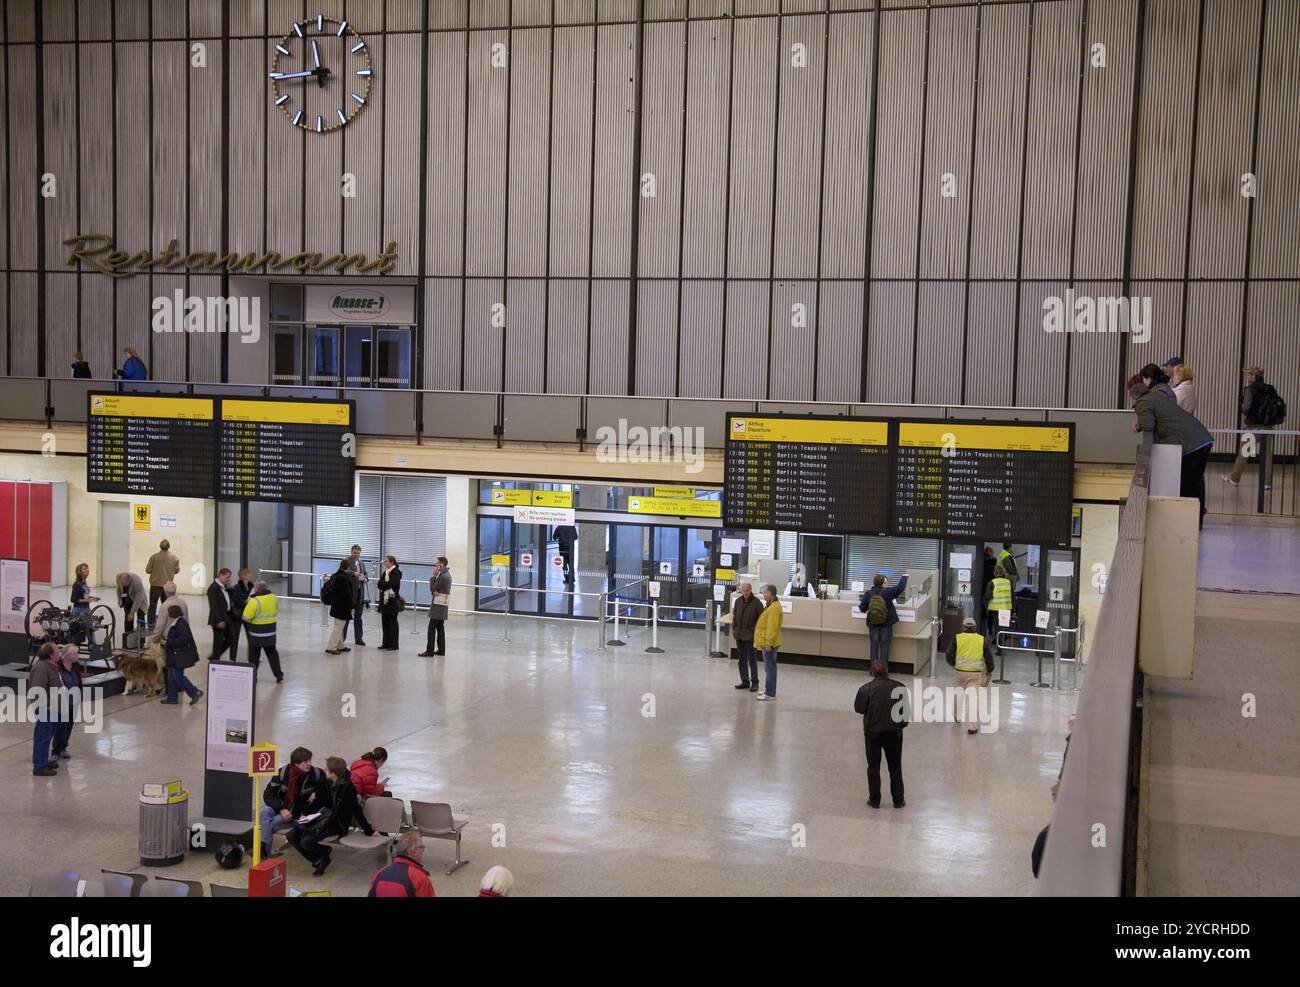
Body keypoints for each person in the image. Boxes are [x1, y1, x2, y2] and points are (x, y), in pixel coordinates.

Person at [1130, 376, 1215, 528]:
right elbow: (1158, 418)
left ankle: (1189, 522)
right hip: (1202, 439)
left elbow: (1149, 426)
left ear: (1134, 396)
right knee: (1196, 482)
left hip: (1191, 445)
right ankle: (1197, 519)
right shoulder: (1155, 396)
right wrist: (1141, 424)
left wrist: (1145, 451)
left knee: (1188, 484)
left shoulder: (1142, 402)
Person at [286, 755, 376, 877]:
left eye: (327, 769)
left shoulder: (348, 789)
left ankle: (322, 857)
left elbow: (357, 811)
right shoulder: (326, 783)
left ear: (334, 773)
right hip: (320, 818)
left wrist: (369, 831)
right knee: (291, 835)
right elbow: (316, 802)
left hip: (336, 824)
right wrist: (306, 815)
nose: (325, 771)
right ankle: (321, 857)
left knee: (305, 841)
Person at [853, 658, 909, 809]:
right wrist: (900, 727)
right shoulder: (900, 688)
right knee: (895, 766)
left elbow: (858, 708)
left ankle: (875, 800)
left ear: (872, 673)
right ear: (887, 672)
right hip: (894, 733)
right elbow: (905, 714)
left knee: (873, 766)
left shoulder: (866, 689)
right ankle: (898, 800)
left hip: (873, 733)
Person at [260, 747, 330, 859]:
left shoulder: (316, 774)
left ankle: (263, 853)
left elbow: (325, 790)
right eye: (305, 762)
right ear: (296, 764)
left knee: (269, 824)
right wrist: (282, 808)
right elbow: (268, 795)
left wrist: (316, 792)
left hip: (299, 814)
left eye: (309, 761)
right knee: (264, 812)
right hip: (283, 807)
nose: (309, 764)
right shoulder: (282, 773)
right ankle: (264, 852)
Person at [1226, 366, 1279, 487]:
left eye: (1249, 374)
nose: (1247, 376)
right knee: (1267, 454)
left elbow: (1246, 408)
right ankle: (1267, 483)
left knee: (1244, 452)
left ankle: (1235, 478)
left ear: (1254, 376)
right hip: (1268, 427)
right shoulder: (1270, 389)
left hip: (1253, 427)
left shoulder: (1250, 389)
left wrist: (1243, 409)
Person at [946, 616, 995, 734]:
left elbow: (949, 655)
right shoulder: (981, 639)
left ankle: (956, 716)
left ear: (963, 627)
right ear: (975, 627)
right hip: (975, 674)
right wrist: (990, 670)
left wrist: (953, 664)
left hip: (960, 672)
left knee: (958, 694)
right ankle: (972, 727)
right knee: (974, 699)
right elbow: (989, 657)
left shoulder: (957, 638)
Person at [858, 572, 909, 666]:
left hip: (873, 625)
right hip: (886, 624)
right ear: (882, 583)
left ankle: (874, 670)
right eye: (885, 582)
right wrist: (904, 577)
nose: (886, 584)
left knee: (874, 647)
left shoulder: (868, 594)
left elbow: (862, 609)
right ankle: (883, 672)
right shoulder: (887, 592)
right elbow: (899, 588)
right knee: (884, 648)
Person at [29, 643, 64, 777]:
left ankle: (43, 761)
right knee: (42, 737)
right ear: (50, 654)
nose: (59, 651)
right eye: (57, 650)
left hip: (52, 708)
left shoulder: (51, 666)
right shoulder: (41, 668)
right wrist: (47, 705)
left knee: (47, 735)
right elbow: (37, 690)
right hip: (46, 708)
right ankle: (39, 767)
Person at [368, 832, 436, 897]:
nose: (423, 851)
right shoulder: (420, 878)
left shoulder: (380, 873)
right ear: (413, 851)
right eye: (422, 847)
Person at [160, 605, 203, 706]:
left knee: (177, 676)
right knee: (171, 676)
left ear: (172, 614)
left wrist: (168, 642)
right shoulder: (177, 622)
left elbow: (184, 639)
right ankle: (172, 697)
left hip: (178, 656)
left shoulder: (181, 624)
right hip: (173, 655)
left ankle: (194, 692)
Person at [242, 580, 284, 682]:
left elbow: (246, 617)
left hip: (257, 634)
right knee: (272, 653)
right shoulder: (273, 597)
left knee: (254, 656)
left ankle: (253, 677)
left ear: (256, 589)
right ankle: (279, 675)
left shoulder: (255, 600)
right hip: (270, 632)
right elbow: (276, 610)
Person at [50, 644, 83, 761]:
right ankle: (56, 750)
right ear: (68, 656)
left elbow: (78, 681)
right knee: (61, 727)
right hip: (61, 702)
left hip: (73, 701)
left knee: (69, 726)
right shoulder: (57, 668)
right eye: (75, 653)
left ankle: (63, 747)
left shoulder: (76, 666)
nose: (77, 655)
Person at [729, 582, 763, 693]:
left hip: (750, 637)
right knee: (742, 660)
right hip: (739, 636)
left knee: (752, 660)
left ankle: (755, 682)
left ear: (751, 590)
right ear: (741, 591)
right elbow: (735, 617)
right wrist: (735, 629)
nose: (745, 593)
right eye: (743, 591)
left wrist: (754, 631)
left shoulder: (757, 603)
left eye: (747, 590)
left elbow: (761, 620)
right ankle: (745, 681)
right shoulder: (738, 601)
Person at [753, 584, 783, 702]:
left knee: (770, 668)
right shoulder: (770, 605)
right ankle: (768, 689)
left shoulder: (774, 607)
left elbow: (772, 627)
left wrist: (769, 643)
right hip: (766, 642)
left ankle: (770, 693)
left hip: (769, 643)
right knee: (768, 667)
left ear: (770, 594)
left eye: (764, 592)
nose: (763, 594)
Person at [419, 557, 452, 657]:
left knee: (431, 627)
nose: (435, 566)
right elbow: (435, 589)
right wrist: (434, 591)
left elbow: (433, 587)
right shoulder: (445, 574)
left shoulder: (443, 576)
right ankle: (441, 650)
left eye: (437, 564)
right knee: (440, 627)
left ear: (441, 565)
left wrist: (433, 577)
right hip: (441, 604)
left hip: (439, 605)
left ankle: (429, 651)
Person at [145, 539, 180, 628]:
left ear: (160, 546)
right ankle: (166, 623)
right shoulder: (174, 557)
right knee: (167, 605)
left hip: (155, 585)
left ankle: (151, 624)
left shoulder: (154, 557)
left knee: (153, 605)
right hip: (168, 586)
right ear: (169, 546)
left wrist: (156, 571)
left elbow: (147, 570)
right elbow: (176, 570)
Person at [324, 559, 356, 655]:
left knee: (339, 626)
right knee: (338, 627)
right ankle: (331, 647)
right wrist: (352, 605)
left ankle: (340, 645)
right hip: (342, 606)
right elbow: (347, 594)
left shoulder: (335, 575)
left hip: (336, 605)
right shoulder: (343, 578)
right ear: (348, 567)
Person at [206, 568, 237, 660]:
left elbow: (231, 599)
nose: (228, 579)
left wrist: (231, 588)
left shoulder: (225, 586)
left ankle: (215, 656)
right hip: (218, 618)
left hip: (227, 616)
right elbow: (213, 606)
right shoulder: (213, 588)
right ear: (221, 575)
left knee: (232, 637)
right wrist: (219, 620)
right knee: (218, 641)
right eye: (227, 577)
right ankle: (215, 658)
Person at [983, 565, 1013, 649]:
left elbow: (987, 596)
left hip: (996, 609)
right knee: (1003, 627)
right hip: (1007, 608)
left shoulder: (992, 582)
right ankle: (1002, 646)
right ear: (1002, 573)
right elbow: (1012, 596)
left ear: (994, 573)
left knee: (997, 628)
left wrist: (985, 606)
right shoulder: (1008, 582)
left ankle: (1000, 648)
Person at [115, 571, 148, 646]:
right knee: (127, 618)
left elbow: (139, 597)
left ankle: (141, 641)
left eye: (124, 582)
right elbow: (119, 589)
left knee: (140, 619)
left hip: (139, 600)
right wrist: (119, 600)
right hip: (127, 599)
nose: (122, 583)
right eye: (121, 581)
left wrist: (132, 612)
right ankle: (128, 638)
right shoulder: (118, 577)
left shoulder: (136, 581)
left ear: (128, 580)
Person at [377, 556, 403, 650]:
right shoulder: (386, 572)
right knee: (385, 623)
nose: (385, 563)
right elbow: (379, 584)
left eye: (386, 561)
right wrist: (384, 584)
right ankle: (385, 643)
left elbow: (392, 583)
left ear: (392, 562)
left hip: (392, 601)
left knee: (392, 623)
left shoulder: (396, 572)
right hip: (385, 600)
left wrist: (384, 584)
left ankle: (393, 644)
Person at [228, 568, 254, 662]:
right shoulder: (237, 587)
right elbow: (236, 600)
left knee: (251, 637)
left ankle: (252, 657)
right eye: (248, 574)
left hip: (248, 615)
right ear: (243, 576)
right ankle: (232, 658)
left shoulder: (251, 586)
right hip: (238, 615)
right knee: (235, 637)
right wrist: (246, 602)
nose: (250, 575)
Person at [345, 544, 369, 646]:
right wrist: (353, 573)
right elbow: (343, 572)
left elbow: (365, 573)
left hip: (360, 593)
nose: (356, 555)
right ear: (351, 552)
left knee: (358, 617)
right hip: (350, 594)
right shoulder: (346, 561)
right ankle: (342, 638)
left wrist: (366, 578)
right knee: (346, 617)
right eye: (355, 553)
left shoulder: (361, 563)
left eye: (358, 553)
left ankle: (359, 638)